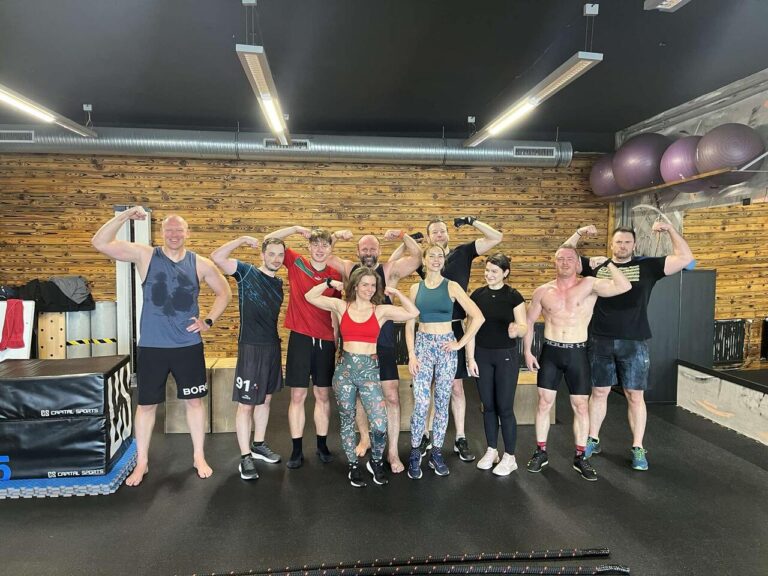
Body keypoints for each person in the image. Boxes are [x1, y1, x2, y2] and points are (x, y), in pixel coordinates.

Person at [91, 207, 231, 486]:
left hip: (187, 344)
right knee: (145, 406)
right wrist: (125, 216)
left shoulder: (200, 263)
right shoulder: (145, 255)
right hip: (153, 346)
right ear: (162, 233)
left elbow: (224, 291)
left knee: (194, 401)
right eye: (169, 230)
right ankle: (142, 461)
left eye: (179, 230)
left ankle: (199, 455)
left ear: (187, 233)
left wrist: (208, 320)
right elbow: (100, 242)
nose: (174, 234)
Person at [566, 223, 694, 471]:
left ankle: (637, 446)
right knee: (599, 392)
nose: (622, 246)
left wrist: (669, 230)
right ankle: (592, 439)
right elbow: (565, 254)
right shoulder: (597, 265)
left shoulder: (648, 267)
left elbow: (686, 258)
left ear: (633, 245)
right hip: (600, 338)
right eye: (618, 242)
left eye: (627, 242)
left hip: (634, 341)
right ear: (611, 245)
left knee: (635, 395)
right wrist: (579, 232)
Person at [523, 244, 630, 481]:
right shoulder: (543, 291)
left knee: (581, 406)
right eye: (560, 258)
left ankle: (581, 456)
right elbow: (529, 322)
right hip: (551, 351)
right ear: (554, 261)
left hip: (577, 353)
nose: (565, 262)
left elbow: (624, 286)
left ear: (577, 262)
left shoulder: (589, 285)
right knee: (543, 403)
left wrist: (607, 264)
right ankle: (541, 451)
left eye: (570, 258)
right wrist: (528, 352)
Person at [305, 267, 419, 487]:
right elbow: (310, 296)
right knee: (347, 420)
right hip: (345, 371)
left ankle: (376, 461)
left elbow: (413, 312)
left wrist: (398, 294)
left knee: (379, 424)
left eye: (373, 285)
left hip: (369, 371)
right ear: (355, 285)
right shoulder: (341, 306)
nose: (369, 289)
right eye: (365, 284)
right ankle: (352, 466)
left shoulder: (381, 310)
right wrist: (330, 283)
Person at [405, 216, 503, 462]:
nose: (439, 234)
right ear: (428, 240)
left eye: (442, 231)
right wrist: (404, 239)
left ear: (448, 234)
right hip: (427, 334)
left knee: (456, 388)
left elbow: (496, 237)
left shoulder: (463, 252)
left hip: (454, 330)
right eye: (434, 232)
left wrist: (473, 221)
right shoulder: (425, 262)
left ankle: (459, 437)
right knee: (425, 390)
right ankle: (425, 435)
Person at [326, 229, 422, 473]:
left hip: (385, 344)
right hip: (354, 346)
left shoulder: (389, 270)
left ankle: (391, 452)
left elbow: (417, 257)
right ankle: (365, 438)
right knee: (358, 396)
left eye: (372, 249)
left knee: (391, 397)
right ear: (358, 251)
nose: (368, 253)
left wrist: (402, 236)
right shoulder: (349, 270)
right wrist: (335, 237)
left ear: (379, 250)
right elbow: (325, 255)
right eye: (364, 249)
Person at [262, 226, 343, 469]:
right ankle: (296, 449)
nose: (320, 250)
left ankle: (321, 445)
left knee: (322, 395)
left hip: (326, 341)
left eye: (325, 245)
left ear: (331, 248)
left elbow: (338, 313)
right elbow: (268, 240)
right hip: (299, 338)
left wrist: (338, 343)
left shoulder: (336, 273)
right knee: (297, 395)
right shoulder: (297, 262)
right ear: (309, 247)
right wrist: (296, 229)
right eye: (316, 245)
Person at [406, 243, 484, 479]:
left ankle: (437, 452)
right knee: (421, 402)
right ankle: (415, 451)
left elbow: (477, 316)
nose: (437, 259)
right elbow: (410, 324)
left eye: (441, 256)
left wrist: (460, 344)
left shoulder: (452, 286)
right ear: (425, 259)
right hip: (422, 345)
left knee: (441, 402)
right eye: (432, 256)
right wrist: (411, 353)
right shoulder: (414, 288)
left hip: (446, 346)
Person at [211, 235, 286, 480]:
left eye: (280, 254)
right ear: (262, 255)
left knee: (265, 400)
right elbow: (217, 257)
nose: (276, 258)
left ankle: (259, 444)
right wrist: (242, 239)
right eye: (271, 253)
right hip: (251, 347)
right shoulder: (246, 272)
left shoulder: (278, 283)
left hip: (272, 346)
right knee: (246, 404)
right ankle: (245, 458)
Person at [466, 253, 527, 476]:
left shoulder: (514, 296)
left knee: (504, 407)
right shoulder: (478, 295)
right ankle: (492, 450)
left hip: (505, 357)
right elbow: (471, 328)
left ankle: (510, 456)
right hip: (482, 356)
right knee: (488, 406)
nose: (489, 274)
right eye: (487, 270)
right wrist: (470, 358)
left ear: (505, 273)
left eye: (494, 271)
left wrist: (516, 330)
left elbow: (523, 326)